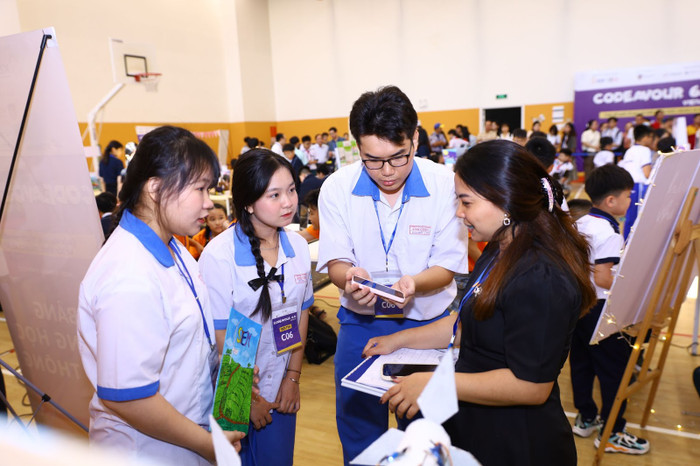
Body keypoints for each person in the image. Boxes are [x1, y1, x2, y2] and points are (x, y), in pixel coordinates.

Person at [364, 139, 596, 466]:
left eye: (466, 202)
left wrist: (434, 384)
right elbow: (469, 321)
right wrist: (399, 339)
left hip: (519, 443)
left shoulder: (541, 276)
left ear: (505, 201)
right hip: (479, 428)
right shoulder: (500, 247)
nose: (459, 213)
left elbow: (532, 386)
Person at [317, 85, 468, 464]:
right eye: (372, 160)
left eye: (398, 157)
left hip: (427, 325)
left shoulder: (444, 184)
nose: (386, 172)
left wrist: (414, 284)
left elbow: (447, 266)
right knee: (359, 430)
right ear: (356, 146)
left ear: (415, 138)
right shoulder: (337, 188)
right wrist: (349, 278)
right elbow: (336, 261)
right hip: (361, 325)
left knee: (425, 433)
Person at [77, 126, 244, 464]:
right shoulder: (128, 275)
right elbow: (129, 397)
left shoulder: (174, 248)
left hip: (186, 434)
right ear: (155, 188)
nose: (208, 202)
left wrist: (228, 372)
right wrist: (206, 444)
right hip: (147, 450)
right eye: (200, 188)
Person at [199, 149, 313, 466]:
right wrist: (247, 400)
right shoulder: (218, 256)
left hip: (280, 387)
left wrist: (293, 378)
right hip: (232, 390)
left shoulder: (298, 247)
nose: (288, 202)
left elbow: (301, 315)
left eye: (291, 190)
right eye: (274, 195)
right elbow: (220, 337)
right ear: (248, 203)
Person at [570, 164, 649, 454]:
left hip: (579, 305)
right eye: (628, 196)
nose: (631, 201)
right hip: (602, 310)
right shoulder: (608, 231)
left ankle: (586, 416)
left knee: (581, 363)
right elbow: (604, 277)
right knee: (614, 370)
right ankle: (613, 431)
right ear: (612, 200)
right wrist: (632, 286)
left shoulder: (581, 222)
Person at [618, 124, 653, 239]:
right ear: (646, 137)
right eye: (651, 137)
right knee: (636, 217)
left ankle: (627, 241)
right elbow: (647, 173)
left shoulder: (630, 150)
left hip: (627, 185)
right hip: (638, 186)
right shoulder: (645, 150)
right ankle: (631, 243)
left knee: (629, 216)